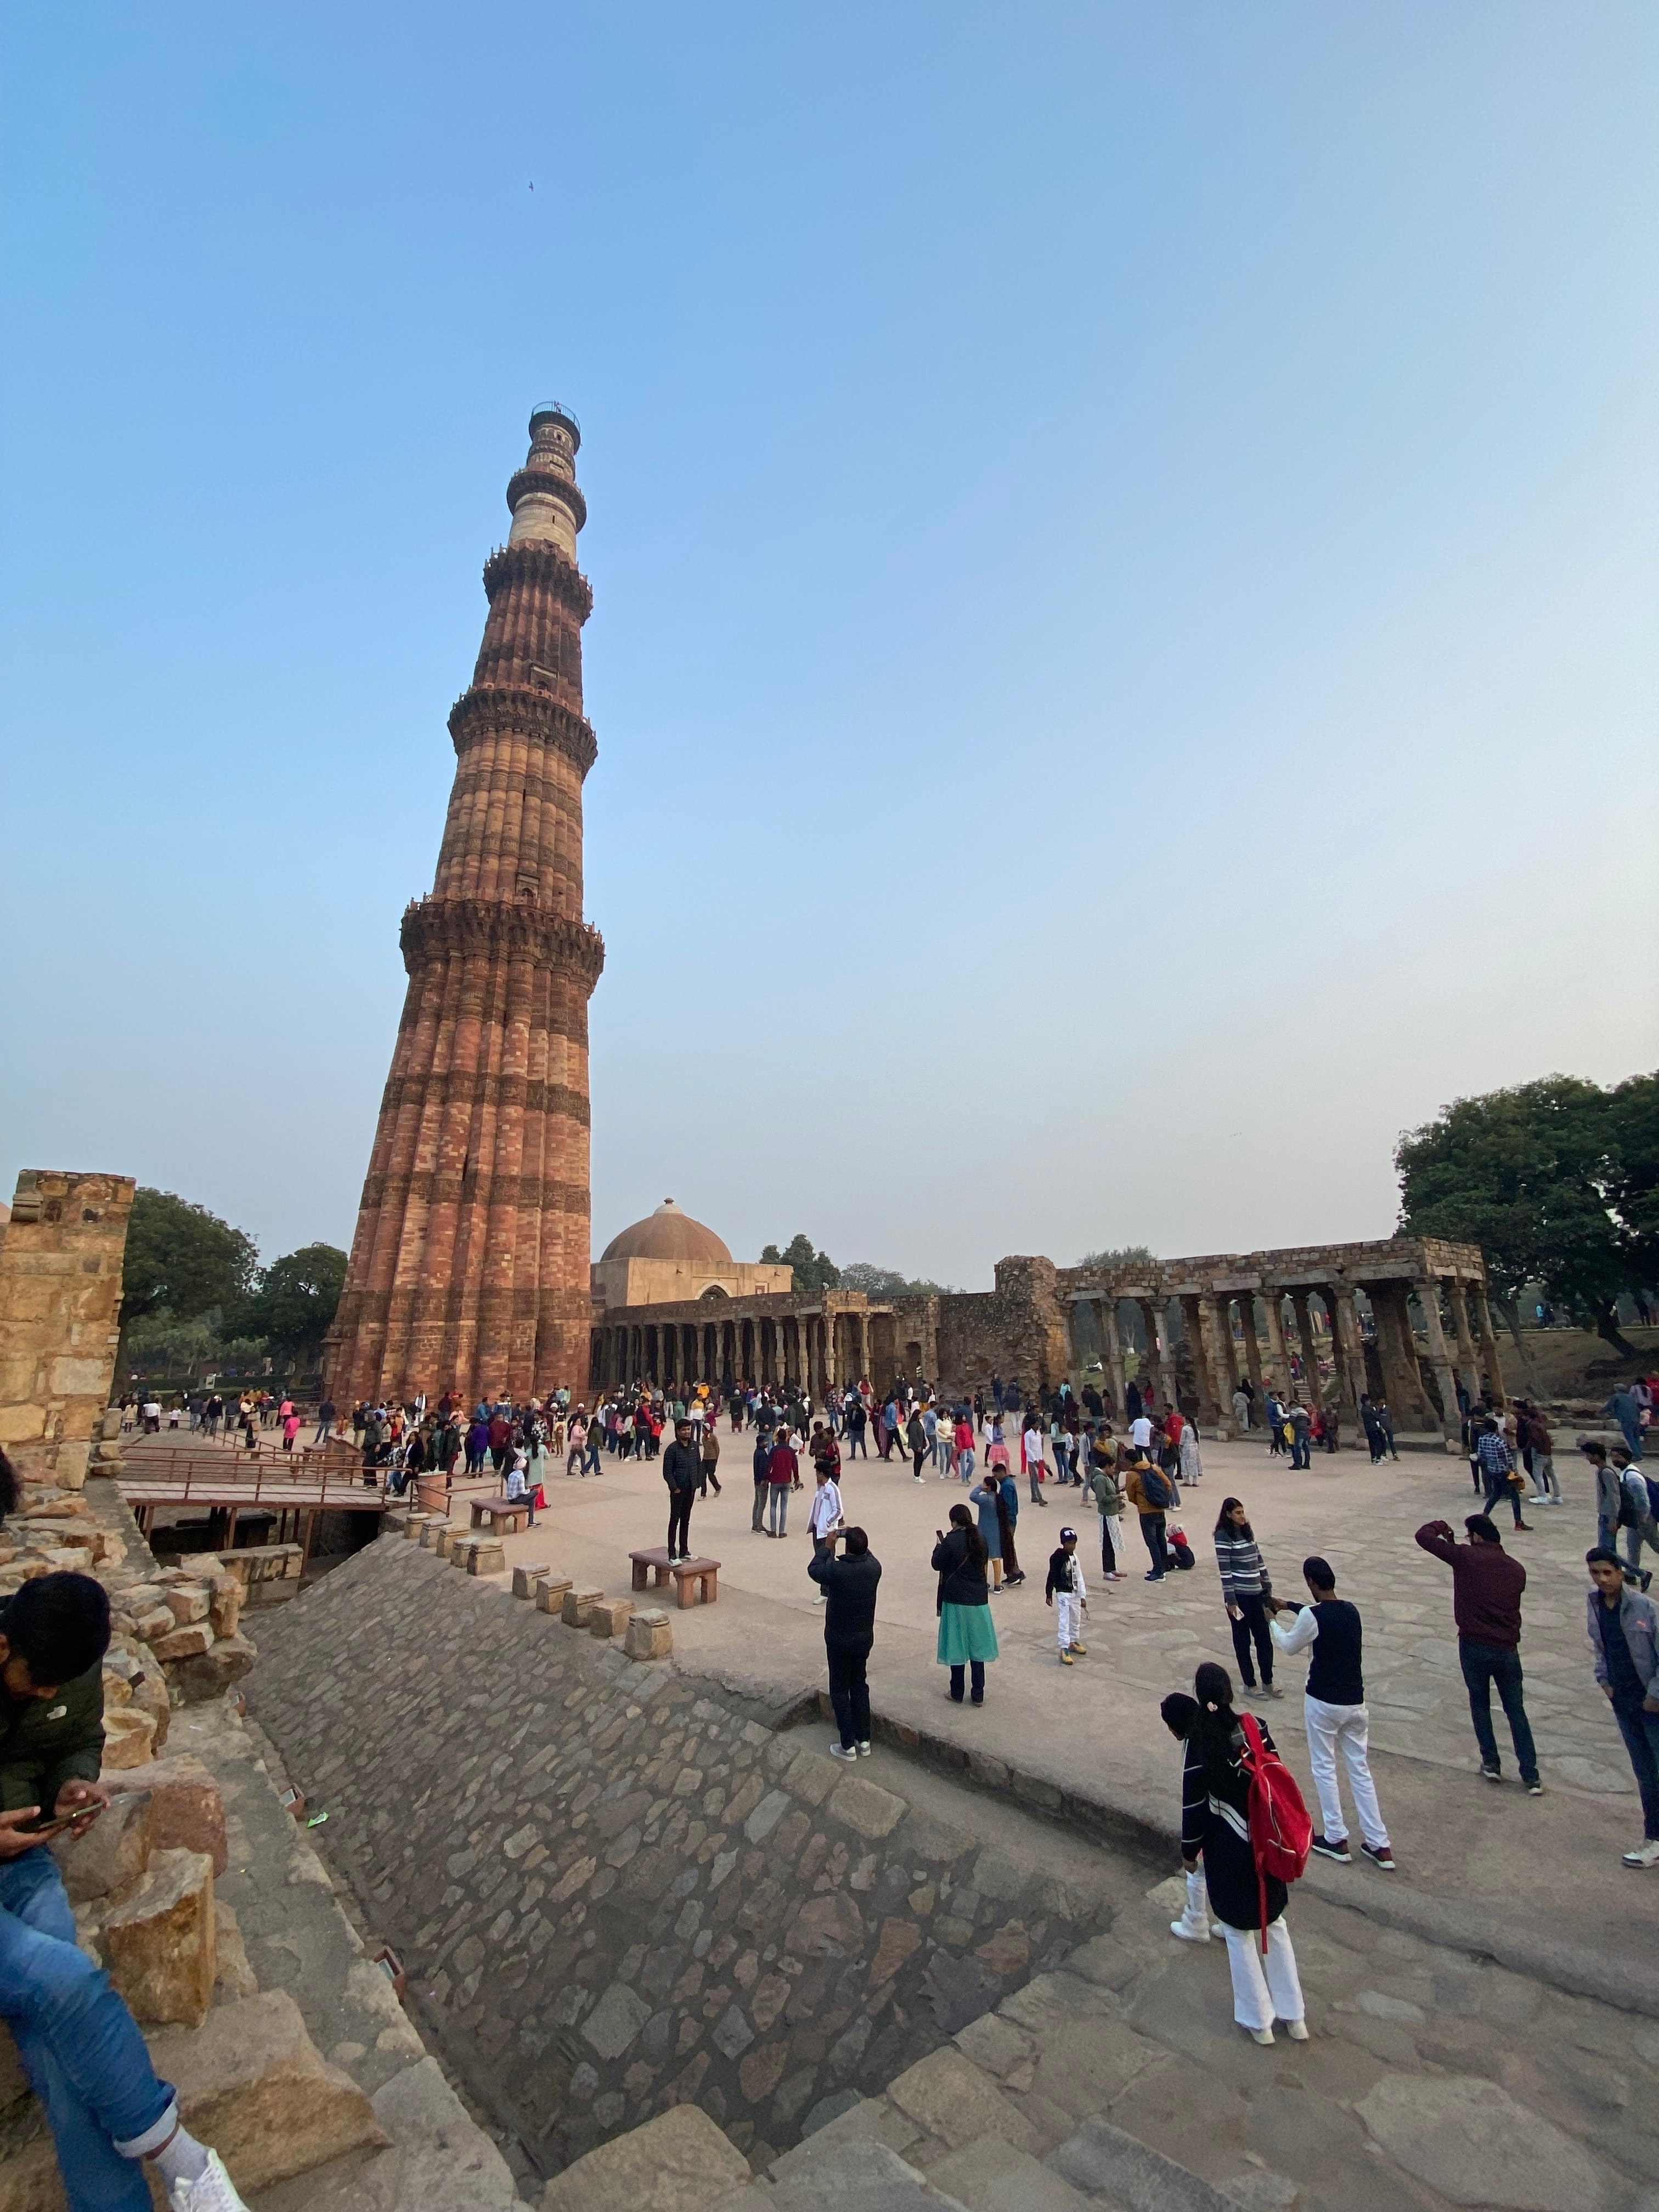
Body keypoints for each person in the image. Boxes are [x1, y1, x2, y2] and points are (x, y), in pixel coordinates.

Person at [0, 1554, 253, 2210]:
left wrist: (72, 1786)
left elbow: (76, 1740)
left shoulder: (67, 1672)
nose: (50, 1693)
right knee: (62, 1977)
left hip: (21, 1863)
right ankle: (182, 2158)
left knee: (54, 2040)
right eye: (38, 1681)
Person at [1179, 1662, 1308, 2044]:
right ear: (1230, 1693)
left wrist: (1190, 1850)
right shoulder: (1257, 1728)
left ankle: (1259, 2020)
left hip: (1228, 1846)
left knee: (1238, 1932)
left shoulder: (1201, 1741)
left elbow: (1194, 1802)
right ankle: (1294, 2015)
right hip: (1267, 1842)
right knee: (1275, 1923)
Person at [1265, 1558, 1395, 1870]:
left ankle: (1336, 1836)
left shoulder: (1312, 1615)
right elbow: (1322, 1614)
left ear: (1311, 1582)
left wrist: (1272, 1620)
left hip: (1323, 1701)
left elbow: (1289, 1645)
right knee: (1359, 1769)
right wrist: (1289, 1605)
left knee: (1324, 1767)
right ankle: (1380, 1843)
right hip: (1355, 1703)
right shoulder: (1351, 1611)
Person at [1414, 1514, 1540, 1793]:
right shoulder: (1516, 1569)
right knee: (1516, 1710)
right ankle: (1531, 1773)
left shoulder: (1466, 1558)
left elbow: (1423, 1537)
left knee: (1480, 1704)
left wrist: (1439, 1526)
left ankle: (1492, 1763)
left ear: (1477, 1536)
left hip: (1474, 1644)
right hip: (1507, 1648)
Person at [1583, 1548, 1659, 1867]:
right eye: (1595, 1573)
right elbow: (1599, 1646)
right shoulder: (1596, 1605)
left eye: (1607, 1572)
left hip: (1651, 1704)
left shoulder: (1644, 1608)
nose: (1601, 1579)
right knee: (1645, 1773)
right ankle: (1653, 1838)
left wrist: (1655, 1694)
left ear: (1619, 1572)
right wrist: (1604, 1681)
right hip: (1623, 1702)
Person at [809, 1526, 881, 1761]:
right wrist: (855, 1539)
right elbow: (866, 1554)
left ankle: (847, 1744)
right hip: (863, 1638)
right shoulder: (874, 1568)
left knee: (839, 1689)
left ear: (847, 1547)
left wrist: (829, 1546)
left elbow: (815, 1569)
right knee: (859, 1684)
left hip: (839, 1639)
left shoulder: (837, 1571)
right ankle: (864, 1739)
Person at [932, 1503, 998, 1705]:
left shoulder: (951, 1541)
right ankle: (978, 1694)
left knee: (957, 1648)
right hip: (978, 1601)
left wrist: (938, 1546)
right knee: (977, 1649)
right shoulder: (981, 1539)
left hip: (956, 1601)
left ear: (954, 1521)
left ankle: (957, 1692)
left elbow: (937, 1564)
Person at [1159, 1694, 1214, 1940]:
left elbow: (1193, 1807)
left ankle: (1196, 1921)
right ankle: (1226, 1919)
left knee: (1197, 1871)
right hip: (1243, 1820)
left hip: (1219, 1822)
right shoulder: (1218, 1726)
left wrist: (1189, 1851)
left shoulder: (1196, 1751)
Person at [1214, 1498, 1278, 1700]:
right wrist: (1231, 1601)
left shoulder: (1247, 1532)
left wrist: (1267, 1585)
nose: (1242, 1516)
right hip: (1239, 1598)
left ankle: (1268, 1681)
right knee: (1242, 1641)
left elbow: (1259, 1560)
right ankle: (1250, 1683)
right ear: (1229, 1514)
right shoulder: (1223, 1536)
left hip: (1257, 1595)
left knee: (1264, 1640)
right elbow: (1225, 1571)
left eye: (1243, 1512)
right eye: (1238, 1513)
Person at [1124, 1451, 1175, 1582]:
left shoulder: (1131, 1475)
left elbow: (1131, 1496)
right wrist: (1161, 1499)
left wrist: (1142, 1503)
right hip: (1160, 1510)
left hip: (1146, 1513)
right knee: (1161, 1539)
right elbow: (1168, 1484)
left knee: (1152, 1542)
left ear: (1129, 1461)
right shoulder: (1152, 1467)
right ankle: (1164, 1566)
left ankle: (1158, 1572)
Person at [1474, 1417, 1532, 1532]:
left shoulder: (1482, 1439)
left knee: (1496, 1494)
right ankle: (1518, 1523)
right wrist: (1514, 1471)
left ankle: (1485, 1515)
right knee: (1514, 1496)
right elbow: (1509, 1460)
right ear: (1496, 1429)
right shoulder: (1500, 1442)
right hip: (1503, 1471)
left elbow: (1481, 1455)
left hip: (1492, 1470)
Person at [1086, 1432, 1126, 1582]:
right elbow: (1102, 1499)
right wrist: (1116, 1497)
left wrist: (1117, 1491)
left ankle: (1113, 1568)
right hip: (1106, 1515)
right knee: (1108, 1543)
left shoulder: (1105, 1478)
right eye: (1113, 1467)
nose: (1114, 1470)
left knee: (1112, 1542)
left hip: (1111, 1514)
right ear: (1107, 1467)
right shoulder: (1101, 1479)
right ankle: (1107, 1570)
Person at [1045, 1526, 1088, 1664]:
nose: (1072, 1546)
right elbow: (1052, 1575)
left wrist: (1082, 1595)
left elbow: (1079, 1576)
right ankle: (1064, 1647)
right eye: (1069, 1543)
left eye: (1074, 1543)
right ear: (1063, 1543)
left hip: (1075, 1593)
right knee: (1064, 1620)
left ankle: (1073, 1642)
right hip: (1063, 1593)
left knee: (1076, 1618)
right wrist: (1049, 1593)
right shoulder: (1057, 1558)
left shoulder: (1075, 1558)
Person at [662, 1419, 700, 1564]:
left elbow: (699, 1465)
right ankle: (672, 1554)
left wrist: (697, 1483)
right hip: (678, 1490)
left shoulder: (694, 1447)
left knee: (686, 1520)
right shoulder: (672, 1449)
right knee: (674, 1521)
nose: (687, 1432)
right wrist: (674, 1487)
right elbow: (667, 1472)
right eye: (684, 1430)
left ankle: (684, 1550)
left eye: (689, 1429)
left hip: (691, 1489)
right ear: (678, 1431)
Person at [806, 1459, 844, 1598]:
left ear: (821, 1474)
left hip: (826, 1532)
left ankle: (827, 1591)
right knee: (821, 1559)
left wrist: (828, 1523)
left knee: (828, 1560)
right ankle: (825, 1590)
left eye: (817, 1473)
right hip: (817, 1530)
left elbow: (838, 1510)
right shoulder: (820, 1489)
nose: (816, 1476)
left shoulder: (832, 1489)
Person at [968, 1478, 1004, 1591]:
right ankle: (997, 1585)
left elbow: (972, 1496)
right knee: (996, 1558)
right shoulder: (998, 1498)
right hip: (996, 1532)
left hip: (983, 1531)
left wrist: (979, 1488)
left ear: (987, 1487)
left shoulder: (984, 1499)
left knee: (984, 1558)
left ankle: (984, 1583)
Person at [765, 1429, 800, 1537]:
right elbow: (795, 1466)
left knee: (773, 1506)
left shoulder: (774, 1450)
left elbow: (769, 1466)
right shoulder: (790, 1451)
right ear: (786, 1438)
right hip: (786, 1480)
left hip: (775, 1480)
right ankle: (781, 1531)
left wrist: (767, 1478)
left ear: (777, 1437)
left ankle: (773, 1530)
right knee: (784, 1507)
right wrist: (796, 1479)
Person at [1526, 1408, 1560, 1506]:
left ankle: (1542, 1496)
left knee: (1538, 1474)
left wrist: (1531, 1448)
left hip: (1540, 1453)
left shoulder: (1532, 1425)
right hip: (1547, 1453)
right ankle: (1558, 1496)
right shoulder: (1541, 1424)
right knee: (1552, 1475)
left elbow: (1535, 1439)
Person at [1603, 1386, 1645, 1460]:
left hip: (1626, 1420)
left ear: (1617, 1389)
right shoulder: (1630, 1397)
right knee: (1636, 1438)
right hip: (1636, 1419)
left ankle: (1637, 1455)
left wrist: (1601, 1411)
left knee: (1630, 1438)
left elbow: (1609, 1407)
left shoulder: (1616, 1396)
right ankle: (1640, 1454)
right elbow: (1637, 1408)